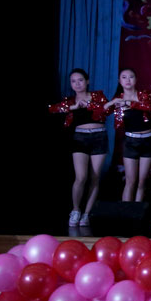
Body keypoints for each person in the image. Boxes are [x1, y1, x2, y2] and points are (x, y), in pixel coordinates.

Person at [49, 68, 109, 227]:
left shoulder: (97, 96)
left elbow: (107, 110)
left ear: (87, 81)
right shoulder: (70, 101)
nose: (77, 84)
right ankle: (75, 210)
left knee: (95, 177)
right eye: (73, 81)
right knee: (81, 177)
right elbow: (52, 108)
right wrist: (72, 107)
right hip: (80, 138)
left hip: (99, 137)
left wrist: (90, 105)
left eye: (80, 80)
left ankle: (87, 214)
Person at [104, 68, 151, 203]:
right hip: (130, 141)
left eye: (131, 77)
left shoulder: (144, 95)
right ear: (119, 81)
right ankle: (126, 211)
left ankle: (137, 212)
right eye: (124, 77)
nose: (128, 80)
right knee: (130, 181)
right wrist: (111, 103)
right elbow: (101, 112)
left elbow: (147, 107)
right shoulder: (117, 99)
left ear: (136, 80)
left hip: (148, 140)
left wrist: (128, 103)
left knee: (141, 181)